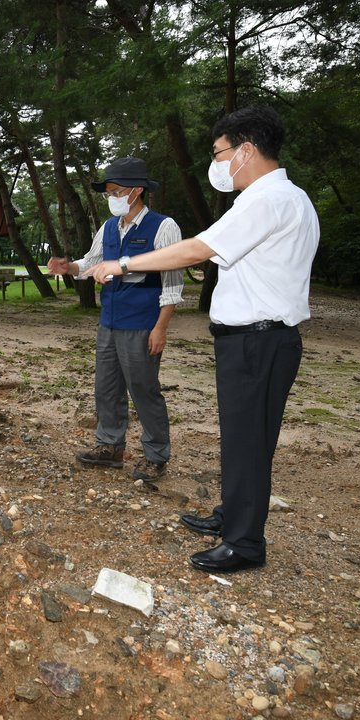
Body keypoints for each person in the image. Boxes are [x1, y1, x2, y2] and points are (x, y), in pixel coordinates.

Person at [79, 106, 319, 573]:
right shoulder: (285, 198)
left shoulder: (267, 200)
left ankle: (244, 543)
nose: (217, 163)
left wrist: (123, 264)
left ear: (245, 150)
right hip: (256, 340)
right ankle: (233, 514)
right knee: (245, 438)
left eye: (218, 153)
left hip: (258, 340)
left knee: (248, 440)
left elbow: (197, 249)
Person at [48, 156, 183, 481]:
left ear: (137, 191)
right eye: (108, 192)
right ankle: (109, 446)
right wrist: (69, 267)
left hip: (142, 324)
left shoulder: (163, 227)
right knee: (106, 388)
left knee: (144, 389)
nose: (112, 197)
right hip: (109, 322)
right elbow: (91, 262)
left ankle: (156, 455)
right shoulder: (109, 227)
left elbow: (172, 283)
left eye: (116, 191)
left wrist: (161, 328)